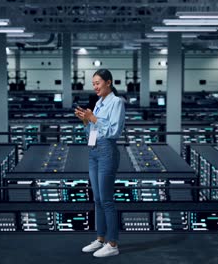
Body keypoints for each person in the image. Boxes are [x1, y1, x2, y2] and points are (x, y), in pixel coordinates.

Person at [74, 69, 125, 258]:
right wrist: (85, 122)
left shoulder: (116, 102)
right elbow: (93, 132)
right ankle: (100, 239)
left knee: (106, 200)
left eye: (97, 83)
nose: (95, 86)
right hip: (94, 151)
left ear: (108, 83)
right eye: (93, 83)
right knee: (97, 199)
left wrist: (93, 118)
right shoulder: (98, 104)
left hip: (107, 152)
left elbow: (113, 132)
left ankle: (113, 244)